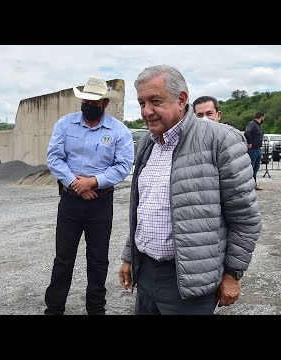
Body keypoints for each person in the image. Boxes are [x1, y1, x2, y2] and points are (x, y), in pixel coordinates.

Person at [118, 65, 261, 315]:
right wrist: (129, 256)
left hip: (191, 280)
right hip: (147, 274)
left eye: (155, 101)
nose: (146, 111)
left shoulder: (221, 141)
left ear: (181, 99)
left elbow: (245, 217)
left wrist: (233, 274)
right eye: (141, 103)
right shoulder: (146, 145)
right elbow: (143, 209)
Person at [44, 76, 134, 315]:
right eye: (86, 100)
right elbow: (54, 158)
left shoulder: (118, 131)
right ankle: (54, 309)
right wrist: (76, 184)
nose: (88, 105)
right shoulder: (65, 124)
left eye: (94, 101)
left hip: (101, 203)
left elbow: (123, 166)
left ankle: (96, 309)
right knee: (63, 259)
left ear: (104, 103)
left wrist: (93, 182)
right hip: (70, 201)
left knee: (97, 260)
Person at [244, 112, 265, 190]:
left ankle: (254, 184)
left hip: (258, 149)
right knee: (251, 168)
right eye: (263, 118)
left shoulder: (258, 125)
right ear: (261, 117)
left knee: (256, 168)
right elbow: (247, 132)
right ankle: (248, 185)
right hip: (253, 150)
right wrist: (249, 142)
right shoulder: (252, 124)